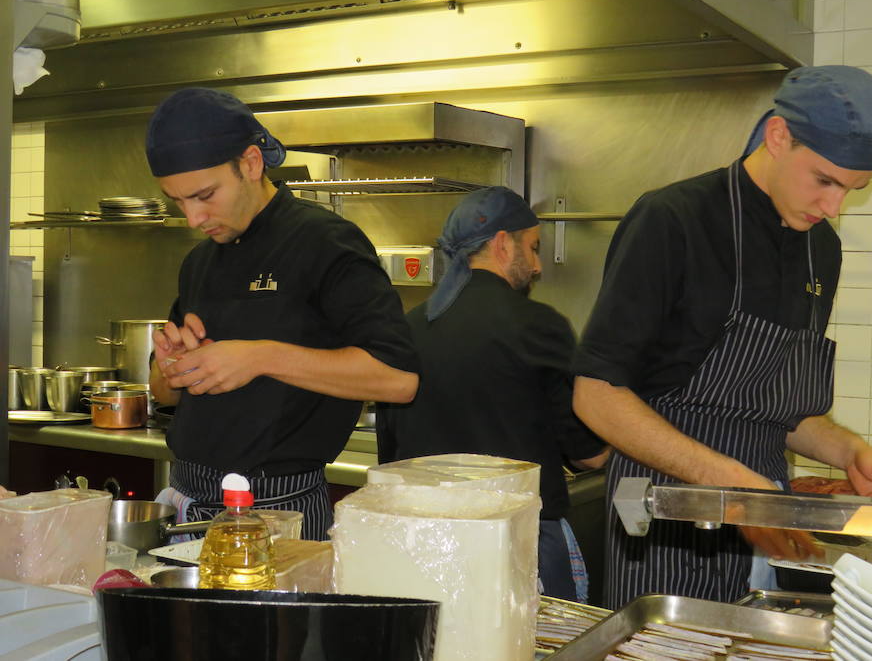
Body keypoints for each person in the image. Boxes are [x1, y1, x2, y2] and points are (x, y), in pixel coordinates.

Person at [572, 65, 872, 609]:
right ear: (777, 137)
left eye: (851, 190)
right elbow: (596, 394)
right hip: (665, 520)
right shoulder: (673, 220)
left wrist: (848, 449)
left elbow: (773, 406)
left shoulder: (822, 248)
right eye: (824, 180)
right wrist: (728, 484)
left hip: (763, 518)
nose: (833, 208)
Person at [146, 88, 419, 540]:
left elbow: (399, 378)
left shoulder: (325, 243)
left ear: (251, 163)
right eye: (178, 202)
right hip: (187, 505)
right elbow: (165, 393)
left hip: (277, 512)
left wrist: (260, 357)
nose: (194, 218)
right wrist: (174, 369)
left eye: (205, 195)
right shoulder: (200, 262)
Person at [377, 186, 609, 601]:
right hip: (517, 541)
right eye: (534, 248)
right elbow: (588, 453)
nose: (537, 266)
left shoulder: (408, 327)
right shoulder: (538, 324)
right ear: (503, 243)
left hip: (425, 541)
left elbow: (390, 449)